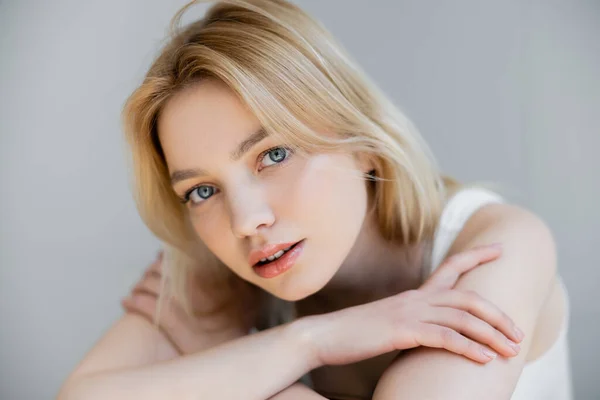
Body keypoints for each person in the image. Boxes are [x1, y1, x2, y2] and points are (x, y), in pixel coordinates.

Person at [58, 0, 572, 399]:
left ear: (363, 144)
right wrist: (310, 342)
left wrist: (225, 357)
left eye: (274, 154)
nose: (245, 222)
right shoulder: (226, 279)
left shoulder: (501, 245)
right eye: (203, 190)